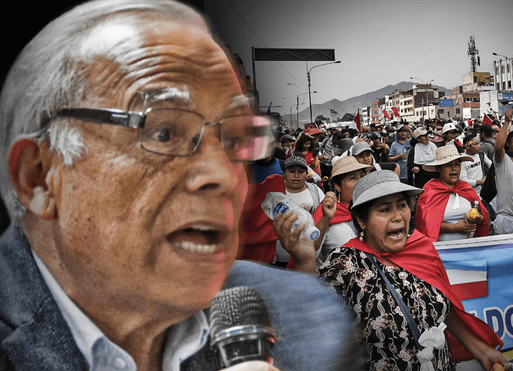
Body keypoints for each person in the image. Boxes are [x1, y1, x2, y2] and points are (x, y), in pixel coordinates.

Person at [0, 2, 359, 370]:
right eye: (164, 132)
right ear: (40, 176)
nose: (223, 174)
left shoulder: (305, 325)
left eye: (235, 137)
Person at [318, 170, 507, 371]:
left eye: (402, 206)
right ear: (362, 221)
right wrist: (304, 261)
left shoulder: (421, 248)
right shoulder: (342, 264)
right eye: (384, 210)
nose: (398, 217)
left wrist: (481, 351)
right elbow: (314, 328)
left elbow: (442, 310)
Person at [241, 155, 324, 268]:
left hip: (306, 256)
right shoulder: (274, 191)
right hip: (277, 260)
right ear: (284, 173)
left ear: (306, 174)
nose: (296, 175)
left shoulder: (315, 191)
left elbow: (324, 220)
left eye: (301, 172)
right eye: (291, 171)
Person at [415, 145, 489, 241]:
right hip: (440, 250)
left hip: (469, 247)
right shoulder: (430, 191)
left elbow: (482, 215)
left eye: (457, 164)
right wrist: (454, 228)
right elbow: (424, 223)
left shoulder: (465, 188)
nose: (454, 168)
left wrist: (478, 219)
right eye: (448, 165)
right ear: (439, 169)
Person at [312, 156, 372, 266]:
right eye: (352, 178)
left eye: (362, 176)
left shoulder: (373, 210)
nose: (360, 183)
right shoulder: (326, 212)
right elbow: (309, 252)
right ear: (337, 186)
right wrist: (325, 220)